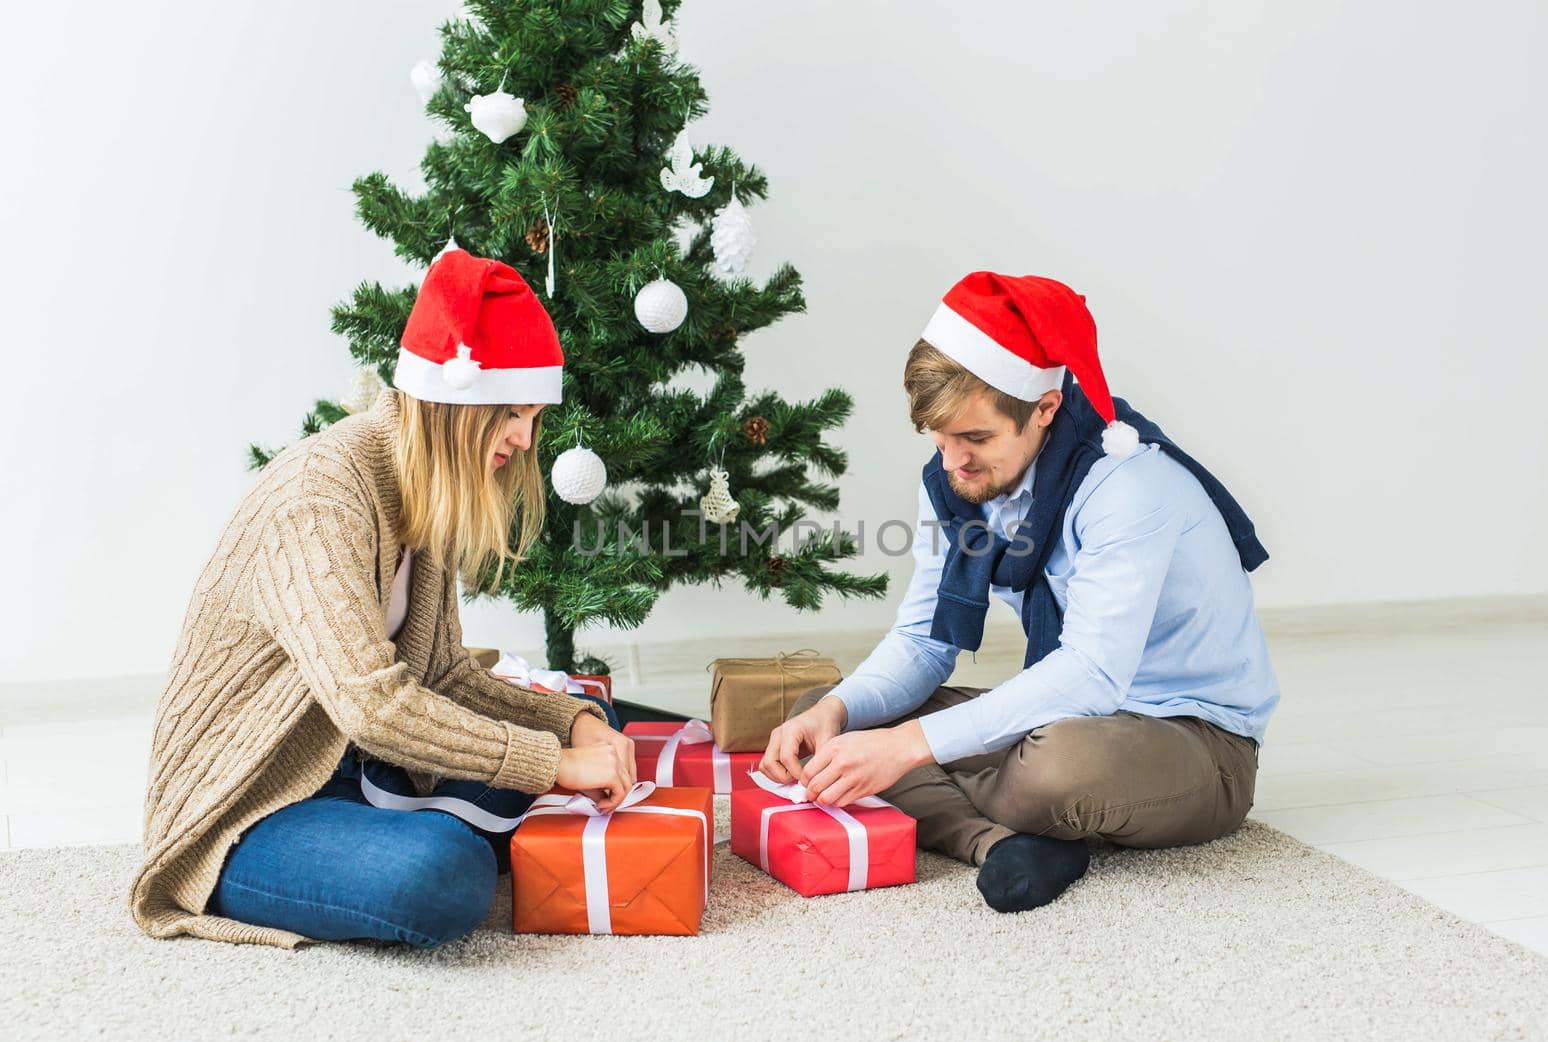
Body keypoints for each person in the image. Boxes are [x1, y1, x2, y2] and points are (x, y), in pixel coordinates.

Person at [130, 250, 636, 949]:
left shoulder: (420, 487)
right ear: (453, 405)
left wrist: (573, 721)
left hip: (357, 762)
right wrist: (550, 763)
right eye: (512, 414)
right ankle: (422, 834)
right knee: (443, 872)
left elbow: (446, 676)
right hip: (251, 803)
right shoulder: (322, 494)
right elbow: (374, 703)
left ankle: (424, 818)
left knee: (594, 723)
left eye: (533, 417)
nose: (525, 440)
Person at [760, 272, 1279, 913]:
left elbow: (1091, 674)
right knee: (826, 714)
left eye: (976, 439)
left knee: (1052, 772)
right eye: (940, 438)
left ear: (1044, 410)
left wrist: (908, 747)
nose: (953, 464)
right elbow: (925, 640)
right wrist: (837, 716)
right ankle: (1003, 844)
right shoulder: (957, 483)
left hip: (1193, 735)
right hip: (1066, 717)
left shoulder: (1126, 486)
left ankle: (992, 807)